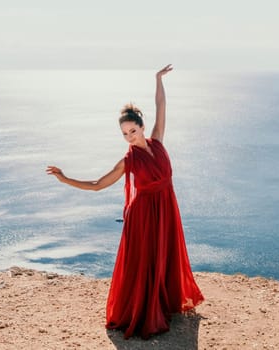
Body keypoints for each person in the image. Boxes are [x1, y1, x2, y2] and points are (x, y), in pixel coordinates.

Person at [46, 64, 204, 339]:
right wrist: (66, 179)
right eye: (124, 134)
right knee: (145, 262)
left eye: (132, 131)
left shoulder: (158, 142)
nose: (129, 137)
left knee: (164, 255)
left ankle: (165, 302)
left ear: (142, 127)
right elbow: (97, 185)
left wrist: (157, 80)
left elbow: (161, 105)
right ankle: (142, 309)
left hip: (166, 209)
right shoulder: (128, 160)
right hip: (143, 216)